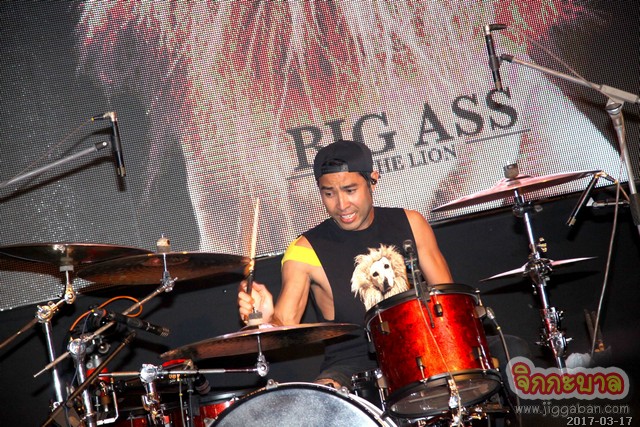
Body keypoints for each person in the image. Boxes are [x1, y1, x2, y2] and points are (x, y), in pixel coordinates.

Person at [238, 139, 528, 394]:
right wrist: (264, 318)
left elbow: (448, 303)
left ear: (373, 180)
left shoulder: (411, 223)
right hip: (355, 362)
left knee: (512, 349)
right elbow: (285, 323)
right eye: (329, 193)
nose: (341, 204)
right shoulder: (304, 251)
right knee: (322, 399)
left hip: (426, 343)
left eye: (350, 190)